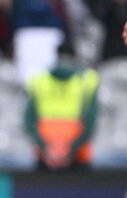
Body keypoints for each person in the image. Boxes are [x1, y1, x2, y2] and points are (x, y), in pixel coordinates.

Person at [24, 40, 99, 171]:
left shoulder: (38, 79)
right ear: (75, 56)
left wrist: (46, 147)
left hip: (45, 154)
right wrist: (70, 148)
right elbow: (91, 119)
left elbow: (28, 118)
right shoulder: (88, 79)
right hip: (77, 154)